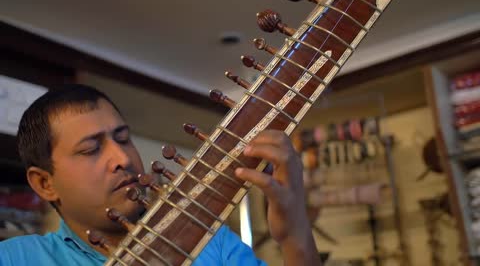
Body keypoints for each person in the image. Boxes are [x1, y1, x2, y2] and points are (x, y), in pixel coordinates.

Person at [0, 84, 320, 265]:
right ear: (44, 183)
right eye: (90, 149)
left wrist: (295, 235)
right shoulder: (17, 259)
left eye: (124, 138)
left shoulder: (211, 242)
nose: (122, 157)